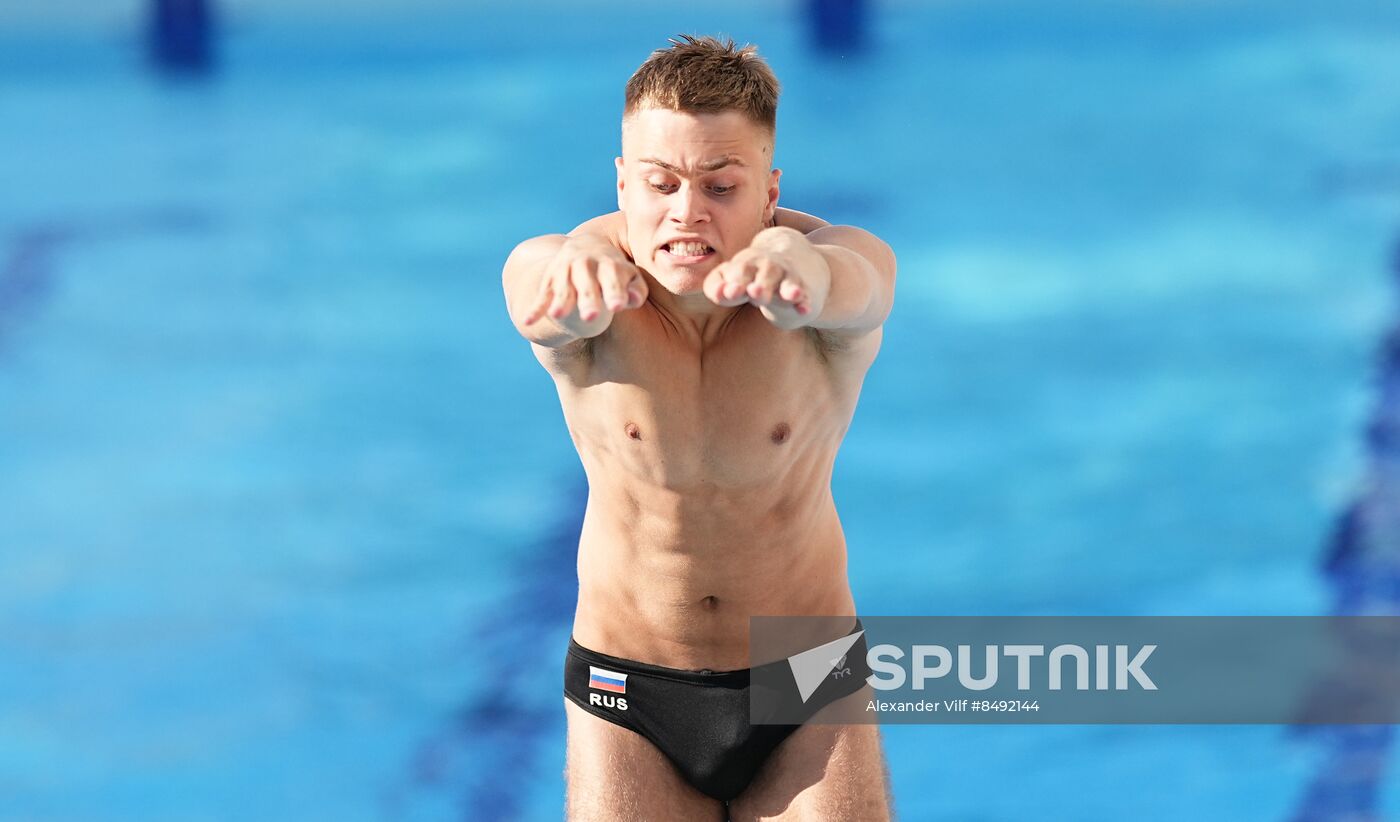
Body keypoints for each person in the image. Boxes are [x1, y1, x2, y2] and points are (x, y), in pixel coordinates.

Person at [502, 34, 897, 821]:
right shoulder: (576, 280)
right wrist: (569, 272)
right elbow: (532, 295)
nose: (687, 211)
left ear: (769, 190)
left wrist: (803, 268)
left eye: (721, 186)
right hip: (629, 691)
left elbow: (862, 286)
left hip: (805, 682)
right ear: (623, 183)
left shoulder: (827, 274)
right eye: (660, 184)